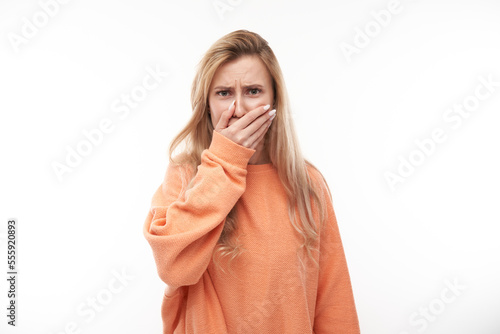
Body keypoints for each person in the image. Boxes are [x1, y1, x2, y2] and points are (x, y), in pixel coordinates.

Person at [143, 29, 360, 333]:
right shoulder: (185, 176)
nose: (239, 109)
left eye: (253, 91)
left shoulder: (306, 184)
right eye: (224, 93)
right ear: (207, 105)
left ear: (274, 101)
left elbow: (333, 301)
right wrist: (225, 160)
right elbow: (173, 267)